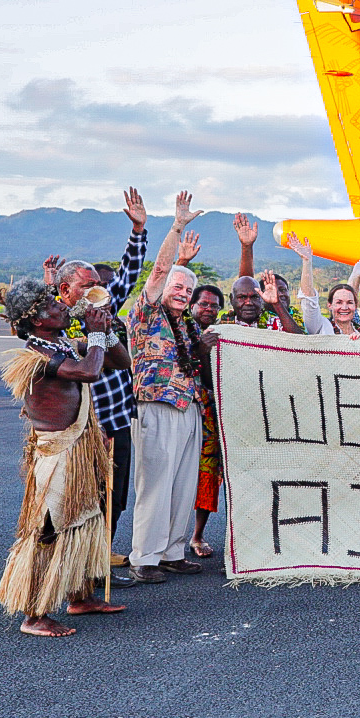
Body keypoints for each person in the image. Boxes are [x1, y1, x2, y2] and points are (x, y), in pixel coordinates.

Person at [0, 276, 131, 637]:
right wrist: (93, 336)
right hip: (58, 454)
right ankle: (34, 613)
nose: (63, 305)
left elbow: (120, 362)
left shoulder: (63, 344)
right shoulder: (34, 357)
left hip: (82, 451)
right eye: (52, 303)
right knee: (49, 529)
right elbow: (89, 372)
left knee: (87, 520)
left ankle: (80, 597)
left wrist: (105, 330)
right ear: (36, 319)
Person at [40, 187, 150, 581]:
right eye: (86, 286)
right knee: (72, 503)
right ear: (64, 290)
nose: (95, 293)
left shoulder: (101, 312)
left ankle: (97, 563)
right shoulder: (54, 322)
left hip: (115, 421)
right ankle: (62, 572)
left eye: (96, 286)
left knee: (113, 497)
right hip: (79, 430)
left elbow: (129, 272)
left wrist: (139, 231)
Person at [126, 192, 210, 583]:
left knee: (183, 482)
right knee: (156, 483)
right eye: (177, 287)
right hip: (157, 403)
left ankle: (173, 551)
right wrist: (176, 228)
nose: (182, 293)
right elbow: (159, 271)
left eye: (187, 291)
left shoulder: (188, 324)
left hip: (189, 404)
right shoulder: (146, 313)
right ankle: (145, 556)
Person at [186, 280, 226, 559]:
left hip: (211, 415)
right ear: (192, 306)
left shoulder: (222, 334)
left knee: (208, 475)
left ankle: (196, 536)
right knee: (176, 475)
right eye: (204, 304)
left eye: (214, 305)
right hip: (183, 411)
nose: (209, 309)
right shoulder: (179, 331)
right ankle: (167, 540)